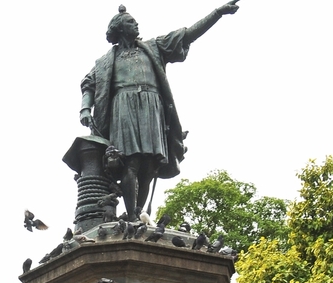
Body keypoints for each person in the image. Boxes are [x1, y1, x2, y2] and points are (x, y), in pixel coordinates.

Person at [80, 3, 240, 221]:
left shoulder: (154, 47)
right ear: (119, 28)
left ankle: (134, 212)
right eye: (130, 22)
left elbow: (186, 35)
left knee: (150, 166)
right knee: (131, 161)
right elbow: (88, 84)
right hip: (123, 108)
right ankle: (134, 216)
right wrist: (85, 108)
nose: (136, 23)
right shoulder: (105, 61)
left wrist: (217, 13)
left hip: (152, 107)